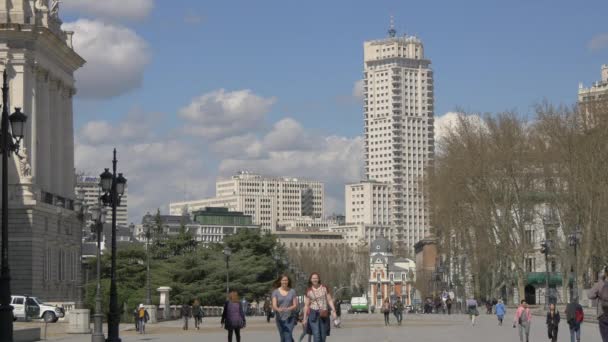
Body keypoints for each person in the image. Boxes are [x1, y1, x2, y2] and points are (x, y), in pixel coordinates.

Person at [303, 272, 337, 342]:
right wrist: (304, 318)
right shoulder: (309, 291)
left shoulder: (324, 288)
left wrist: (333, 310)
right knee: (316, 334)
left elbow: (329, 300)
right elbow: (306, 305)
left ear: (319, 279)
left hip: (324, 313)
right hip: (313, 314)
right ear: (310, 280)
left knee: (323, 335)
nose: (315, 279)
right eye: (313, 278)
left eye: (316, 278)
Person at [272, 274, 298, 342]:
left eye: (286, 280)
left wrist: (289, 308)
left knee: (288, 335)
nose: (285, 282)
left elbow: (295, 305)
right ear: (280, 281)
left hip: (290, 317)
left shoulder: (292, 291)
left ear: (288, 281)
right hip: (280, 318)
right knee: (283, 336)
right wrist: (278, 309)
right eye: (283, 280)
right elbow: (274, 305)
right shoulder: (275, 292)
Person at [588, 266, 608, 342]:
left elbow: (590, 294)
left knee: (605, 337)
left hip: (602, 313)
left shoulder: (600, 283)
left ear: (605, 273)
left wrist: (597, 295)